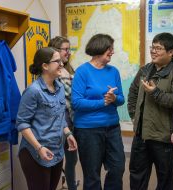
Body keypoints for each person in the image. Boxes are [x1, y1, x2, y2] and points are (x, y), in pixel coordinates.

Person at [128, 32, 173, 190]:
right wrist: (135, 116)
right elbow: (133, 93)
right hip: (141, 135)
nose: (153, 51)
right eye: (152, 47)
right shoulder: (145, 70)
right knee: (137, 175)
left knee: (165, 178)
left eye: (158, 48)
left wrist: (155, 93)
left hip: (163, 138)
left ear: (170, 52)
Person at [16, 47, 77, 190]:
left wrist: (68, 133)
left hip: (57, 151)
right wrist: (39, 148)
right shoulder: (33, 91)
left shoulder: (60, 87)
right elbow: (22, 123)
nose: (62, 64)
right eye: (57, 61)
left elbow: (60, 116)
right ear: (45, 66)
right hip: (35, 153)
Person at [71, 33, 125, 190]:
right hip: (88, 130)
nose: (112, 52)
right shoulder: (82, 71)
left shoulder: (113, 71)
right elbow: (77, 103)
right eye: (110, 48)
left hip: (112, 128)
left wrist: (113, 98)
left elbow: (121, 99)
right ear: (100, 47)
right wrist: (103, 102)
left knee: (117, 168)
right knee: (92, 175)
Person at [48, 36, 79, 190]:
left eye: (69, 49)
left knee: (72, 160)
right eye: (65, 49)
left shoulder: (70, 70)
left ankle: (71, 185)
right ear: (55, 51)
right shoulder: (50, 74)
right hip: (58, 123)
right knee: (56, 160)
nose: (69, 52)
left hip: (72, 121)